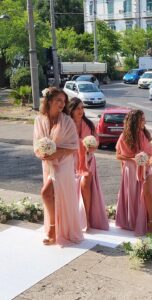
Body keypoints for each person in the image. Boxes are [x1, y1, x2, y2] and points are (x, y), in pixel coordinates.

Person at [33, 87, 83, 246]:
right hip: (48, 163)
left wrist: (57, 152)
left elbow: (74, 146)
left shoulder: (67, 121)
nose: (62, 104)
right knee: (52, 195)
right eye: (58, 100)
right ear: (49, 101)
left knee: (46, 193)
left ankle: (54, 229)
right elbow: (37, 143)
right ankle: (55, 227)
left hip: (64, 164)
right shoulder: (39, 120)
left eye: (63, 101)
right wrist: (41, 153)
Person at [115, 110, 152, 235]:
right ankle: (135, 222)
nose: (144, 122)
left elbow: (150, 153)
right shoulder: (124, 136)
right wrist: (132, 159)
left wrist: (147, 160)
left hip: (145, 168)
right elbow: (118, 155)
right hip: (131, 169)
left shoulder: (144, 134)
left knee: (149, 194)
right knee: (134, 195)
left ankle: (151, 223)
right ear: (135, 121)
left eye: (144, 119)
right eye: (142, 119)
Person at [69, 97, 109, 231]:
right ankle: (74, 219)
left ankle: (87, 218)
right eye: (77, 108)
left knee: (85, 185)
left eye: (82, 108)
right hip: (71, 161)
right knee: (73, 189)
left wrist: (91, 147)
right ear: (72, 110)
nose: (81, 111)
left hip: (88, 160)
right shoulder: (67, 124)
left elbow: (96, 142)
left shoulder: (90, 124)